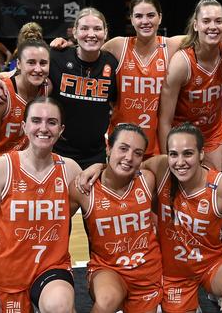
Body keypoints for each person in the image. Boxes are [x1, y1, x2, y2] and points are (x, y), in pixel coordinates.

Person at [50, 0, 222, 159]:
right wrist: (65, 47)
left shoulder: (172, 45)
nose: (145, 21)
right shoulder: (118, 45)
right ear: (131, 19)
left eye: (151, 15)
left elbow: (208, 32)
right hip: (121, 139)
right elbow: (88, 49)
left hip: (156, 141)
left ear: (160, 18)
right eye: (139, 16)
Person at [0, 96, 81, 313]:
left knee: (59, 305)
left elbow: (100, 195)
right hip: (8, 275)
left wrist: (97, 168)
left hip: (50, 268)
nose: (44, 127)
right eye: (36, 120)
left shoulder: (70, 170)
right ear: (24, 126)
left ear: (61, 129)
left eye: (51, 122)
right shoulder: (0, 168)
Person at [142, 122, 222, 313]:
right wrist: (98, 167)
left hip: (211, 262)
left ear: (201, 154)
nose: (180, 162)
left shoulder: (221, 187)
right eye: (174, 154)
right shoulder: (160, 167)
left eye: (188, 153)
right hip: (174, 270)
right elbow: (125, 169)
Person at [0, 8, 119, 169]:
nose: (91, 34)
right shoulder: (57, 56)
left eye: (97, 29)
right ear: (75, 32)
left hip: (95, 157)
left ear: (105, 33)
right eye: (84, 28)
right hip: (55, 152)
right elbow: (24, 71)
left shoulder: (113, 64)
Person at [70, 123, 163, 312]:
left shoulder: (147, 179)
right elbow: (55, 223)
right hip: (107, 270)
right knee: (107, 300)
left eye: (137, 153)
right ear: (108, 147)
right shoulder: (84, 188)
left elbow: (172, 161)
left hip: (148, 272)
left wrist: (103, 164)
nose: (129, 157)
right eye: (123, 148)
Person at [0, 39, 50, 209]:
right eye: (31, 62)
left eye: (43, 63)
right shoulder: (1, 93)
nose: (38, 68)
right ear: (18, 64)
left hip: (20, 169)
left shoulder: (46, 88)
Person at [158, 0, 222, 170]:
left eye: (218, 21)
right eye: (206, 21)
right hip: (182, 134)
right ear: (196, 25)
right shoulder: (181, 62)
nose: (213, 26)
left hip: (213, 133)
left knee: (214, 186)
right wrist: (166, 160)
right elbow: (164, 120)